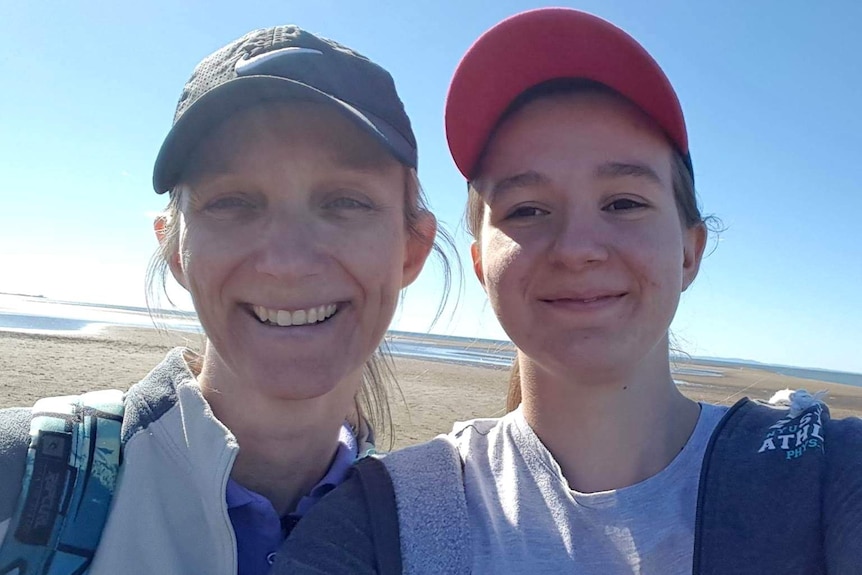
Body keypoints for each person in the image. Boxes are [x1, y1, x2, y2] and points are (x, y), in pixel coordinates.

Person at [276, 8, 862, 575]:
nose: (578, 246)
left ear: (690, 250)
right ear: (481, 264)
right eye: (528, 209)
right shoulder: (382, 521)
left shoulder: (820, 471)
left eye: (624, 203)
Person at [0, 24, 445, 574]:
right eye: (232, 201)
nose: (287, 262)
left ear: (411, 250)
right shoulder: (20, 480)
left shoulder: (431, 536)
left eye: (345, 201)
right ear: (175, 249)